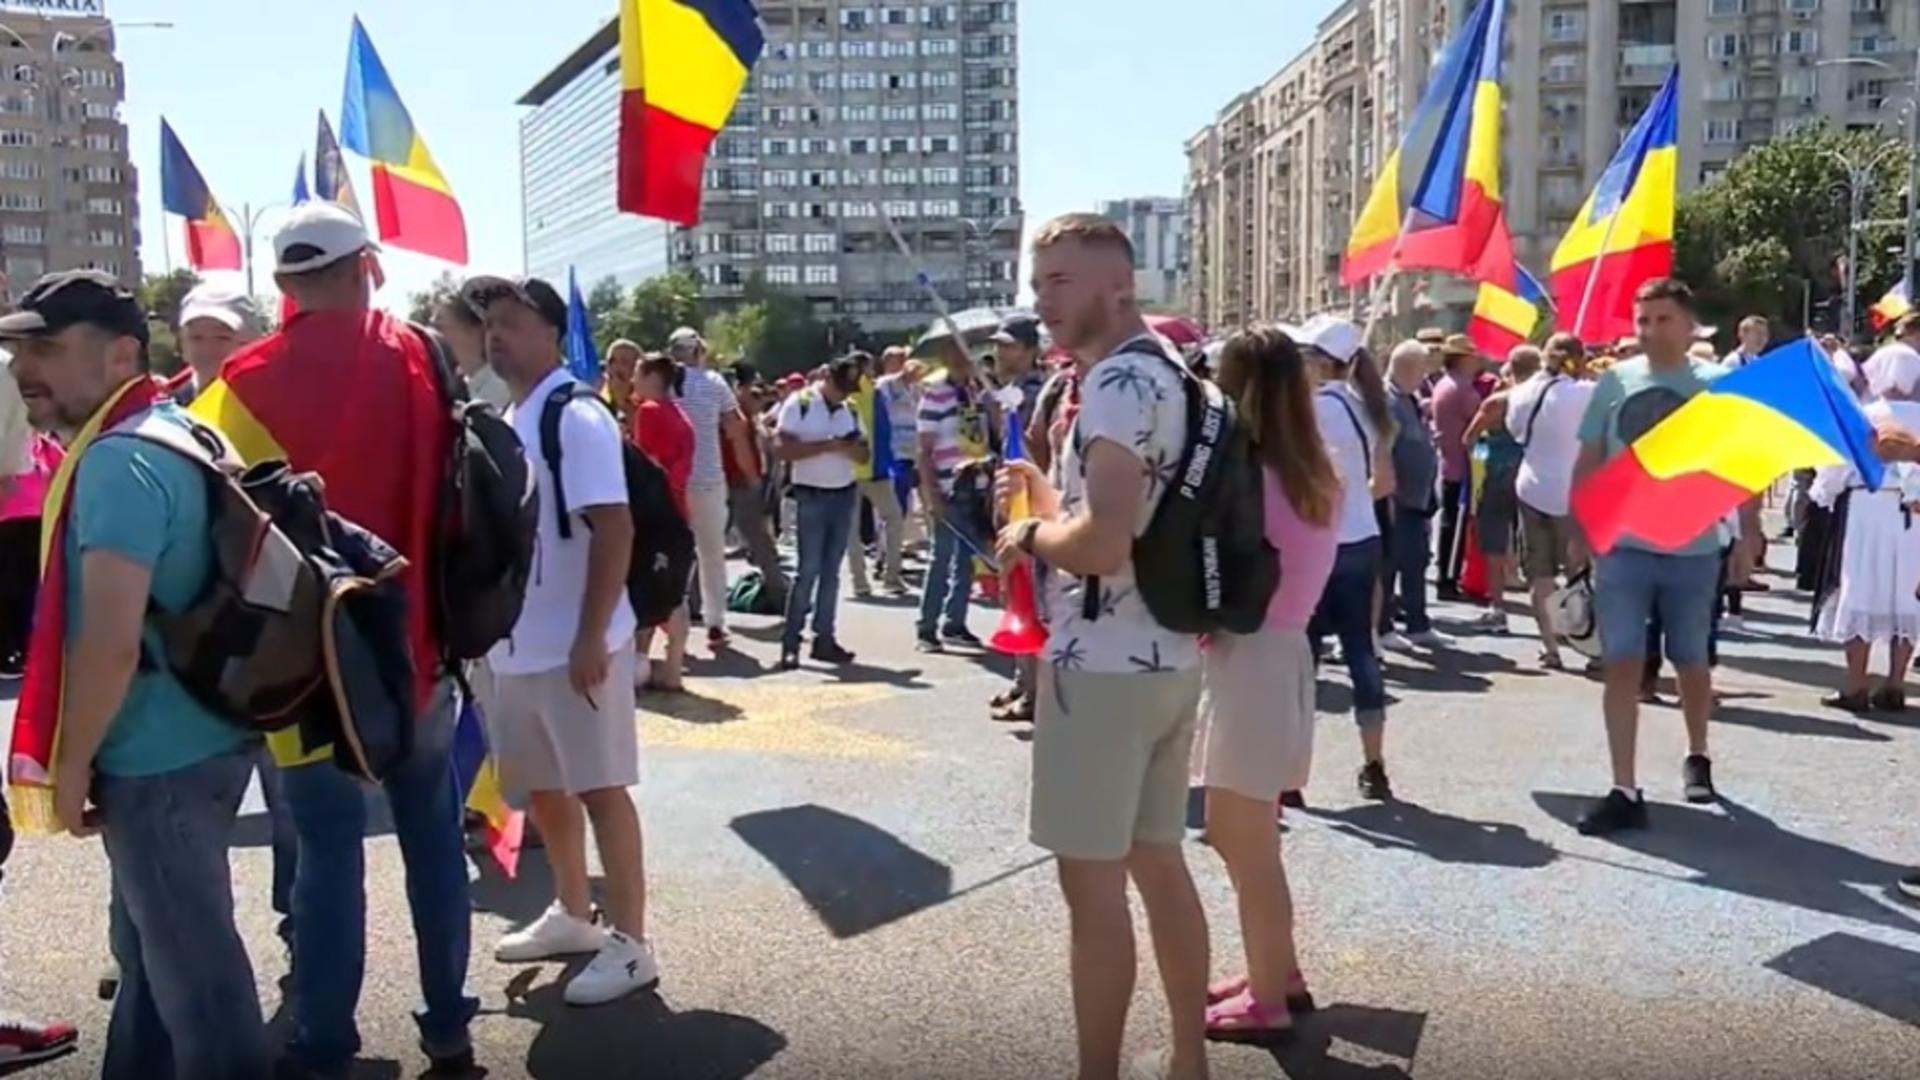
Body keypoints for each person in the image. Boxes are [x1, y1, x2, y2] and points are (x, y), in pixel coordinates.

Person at [192, 203, 478, 1075]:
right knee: (433, 839)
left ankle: (324, 1042)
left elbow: (214, 526)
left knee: (323, 852)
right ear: (370, 265)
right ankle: (448, 1030)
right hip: (421, 647)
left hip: (309, 666)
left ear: (282, 285)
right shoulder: (425, 356)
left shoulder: (238, 381)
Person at [2, 270, 268, 1079]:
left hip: (154, 758)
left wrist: (74, 760)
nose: (23, 368)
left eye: (46, 347)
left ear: (121, 353)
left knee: (200, 988)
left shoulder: (117, 462)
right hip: (210, 733)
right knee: (154, 961)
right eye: (18, 349)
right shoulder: (177, 429)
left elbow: (110, 641)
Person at [996, 213, 1209, 1080]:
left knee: (1093, 892)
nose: (1041, 301)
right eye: (1038, 282)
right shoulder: (1179, 374)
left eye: (1059, 282)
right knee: (1159, 863)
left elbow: (1105, 543)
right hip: (1168, 654)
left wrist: (1031, 538)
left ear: (1117, 285)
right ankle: (1189, 1058)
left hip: (1102, 667)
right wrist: (1054, 502)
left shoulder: (1117, 384)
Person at [462, 275, 656, 1006]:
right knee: (544, 792)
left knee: (602, 789)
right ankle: (574, 913)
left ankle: (633, 942)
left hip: (578, 644)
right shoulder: (513, 414)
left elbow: (616, 527)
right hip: (518, 646)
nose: (497, 336)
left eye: (511, 322)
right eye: (490, 324)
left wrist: (589, 636)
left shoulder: (576, 417)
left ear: (551, 331)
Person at [1196, 326, 1341, 1041]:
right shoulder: (1315, 468)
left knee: (1240, 838)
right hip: (1283, 654)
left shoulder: (1248, 475)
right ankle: (1274, 970)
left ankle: (1269, 998)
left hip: (1249, 657)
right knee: (1255, 837)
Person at [1572, 277, 1725, 836]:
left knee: (1690, 659)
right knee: (1622, 663)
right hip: (1624, 547)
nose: (1651, 330)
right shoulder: (1614, 380)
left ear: (1688, 326)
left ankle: (1698, 754)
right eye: (1642, 320)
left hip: (1694, 547)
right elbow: (1590, 456)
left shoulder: (1716, 383)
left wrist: (1748, 532)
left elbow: (1735, 463)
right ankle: (1624, 787)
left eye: (1662, 319)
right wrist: (1582, 526)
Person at [1302, 317, 1396, 801]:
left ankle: (1290, 774)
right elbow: (1386, 484)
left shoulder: (1309, 410)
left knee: (1305, 658)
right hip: (1364, 537)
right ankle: (1374, 762)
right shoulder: (1370, 409)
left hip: (1317, 542)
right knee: (1362, 651)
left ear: (1321, 363)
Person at [1809, 338, 1920, 712]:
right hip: (1913, 515)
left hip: (1867, 507)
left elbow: (1833, 471)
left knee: (1861, 589)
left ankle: (1856, 685)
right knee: (1905, 594)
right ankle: (1895, 684)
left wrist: (1822, 493)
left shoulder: (1865, 415)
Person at [1508, 332, 1595, 671]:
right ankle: (1589, 646)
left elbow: (1517, 434)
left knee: (1540, 575)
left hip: (1532, 488)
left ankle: (1550, 648)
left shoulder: (1519, 393)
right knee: (1582, 572)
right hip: (1574, 492)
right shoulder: (1584, 393)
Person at [773, 357, 867, 670]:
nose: (844, 394)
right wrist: (829, 446)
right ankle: (791, 641)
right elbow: (783, 449)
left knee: (831, 572)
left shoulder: (850, 409)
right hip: (810, 493)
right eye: (841, 386)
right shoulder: (798, 403)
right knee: (808, 570)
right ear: (827, 376)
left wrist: (850, 447)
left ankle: (824, 638)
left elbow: (864, 453)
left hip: (843, 492)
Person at [669, 327, 756, 651]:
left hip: (672, 480)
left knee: (675, 552)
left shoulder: (663, 383)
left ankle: (673, 618)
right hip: (707, 477)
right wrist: (748, 472)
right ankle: (715, 622)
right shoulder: (714, 383)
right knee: (711, 554)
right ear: (698, 351)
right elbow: (736, 428)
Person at [915, 335, 993, 653]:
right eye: (954, 353)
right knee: (941, 558)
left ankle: (955, 622)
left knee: (966, 561)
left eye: (964, 351)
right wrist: (931, 493)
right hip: (948, 487)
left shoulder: (977, 392)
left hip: (976, 485)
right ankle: (926, 627)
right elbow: (923, 450)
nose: (961, 358)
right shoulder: (934, 395)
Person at [1461, 345, 1540, 635]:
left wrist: (1484, 453)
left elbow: (1468, 438)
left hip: (1497, 475)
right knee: (1537, 546)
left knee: (1494, 542)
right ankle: (1552, 615)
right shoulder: (1544, 399)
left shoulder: (1496, 403)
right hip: (1534, 475)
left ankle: (1498, 608)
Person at [632, 351, 695, 693]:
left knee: (647, 590)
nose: (633, 381)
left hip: (654, 514)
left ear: (653, 376)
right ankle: (671, 665)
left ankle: (643, 664)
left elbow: (645, 463)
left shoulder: (650, 412)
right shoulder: (680, 414)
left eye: (639, 374)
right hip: (677, 508)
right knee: (672, 590)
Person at [1380, 340, 1440, 649]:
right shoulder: (1388, 400)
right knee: (1391, 565)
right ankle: (1385, 626)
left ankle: (1418, 623)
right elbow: (1384, 451)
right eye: (1421, 370)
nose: (1425, 377)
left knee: (1416, 562)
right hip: (1398, 499)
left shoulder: (1409, 398)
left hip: (1417, 499)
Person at [0, 354, 50, 680]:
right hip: (27, 492)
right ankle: (16, 649)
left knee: (11, 581)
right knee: (20, 582)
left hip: (17, 496)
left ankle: (9, 650)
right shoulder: (12, 365)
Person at [845, 350, 909, 598]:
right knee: (893, 519)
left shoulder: (847, 392)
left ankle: (860, 581)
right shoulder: (870, 391)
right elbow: (881, 430)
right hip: (875, 467)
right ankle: (892, 576)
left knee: (851, 529)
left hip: (852, 468)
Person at [722, 373, 787, 610]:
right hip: (736, 483)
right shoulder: (737, 418)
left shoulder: (752, 421)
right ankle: (778, 591)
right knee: (758, 541)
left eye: (760, 396)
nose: (758, 400)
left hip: (740, 484)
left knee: (757, 541)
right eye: (753, 395)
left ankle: (777, 590)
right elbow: (743, 453)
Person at [1431, 334, 1483, 597]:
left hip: (1449, 462)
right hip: (1461, 466)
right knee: (1455, 525)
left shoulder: (1445, 384)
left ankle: (1446, 574)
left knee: (1449, 522)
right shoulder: (1462, 389)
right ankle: (1448, 578)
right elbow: (1479, 421)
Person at [169, 283, 258, 406]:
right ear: (183, 344)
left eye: (222, 338)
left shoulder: (270, 408)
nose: (208, 349)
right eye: (197, 338)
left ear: (249, 344)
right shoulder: (168, 413)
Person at [431, 292, 510, 410]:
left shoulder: (505, 389)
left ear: (477, 329)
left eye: (440, 327)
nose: (434, 337)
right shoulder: (456, 390)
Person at [604, 339, 641, 429]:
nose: (616, 367)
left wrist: (622, 401)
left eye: (624, 362)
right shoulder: (599, 397)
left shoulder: (646, 401)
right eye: (612, 361)